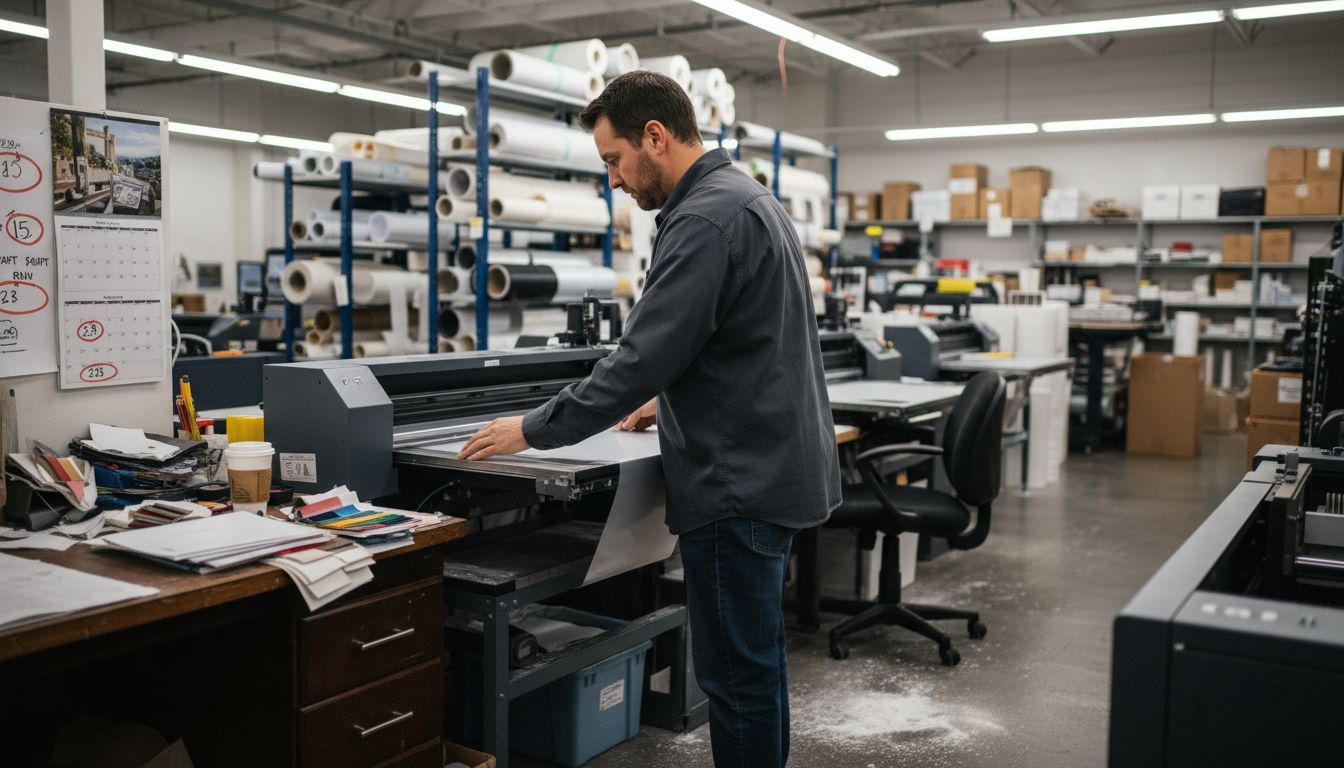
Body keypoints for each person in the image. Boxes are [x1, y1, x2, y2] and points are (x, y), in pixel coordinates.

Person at [457, 70, 840, 768]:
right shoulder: (749, 197)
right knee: (757, 669)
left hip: (738, 487)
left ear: (655, 139)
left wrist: (532, 429)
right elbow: (744, 342)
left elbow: (636, 358)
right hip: (775, 470)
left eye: (614, 161)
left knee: (734, 679)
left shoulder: (701, 220)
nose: (614, 181)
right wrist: (669, 398)